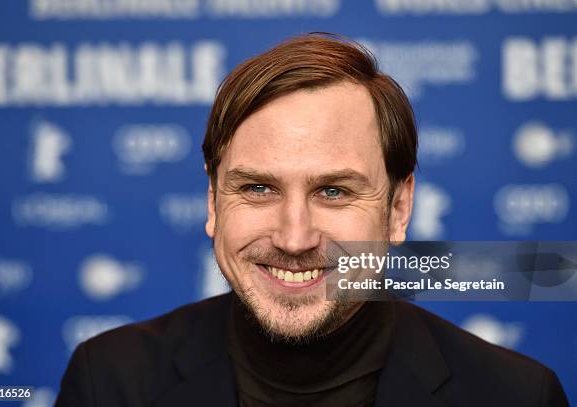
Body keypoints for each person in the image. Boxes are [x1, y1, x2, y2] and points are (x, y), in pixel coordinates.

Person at [55, 33, 569, 407]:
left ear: (398, 208)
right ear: (213, 203)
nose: (294, 237)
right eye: (258, 188)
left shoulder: (515, 395)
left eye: (333, 191)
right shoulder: (111, 382)